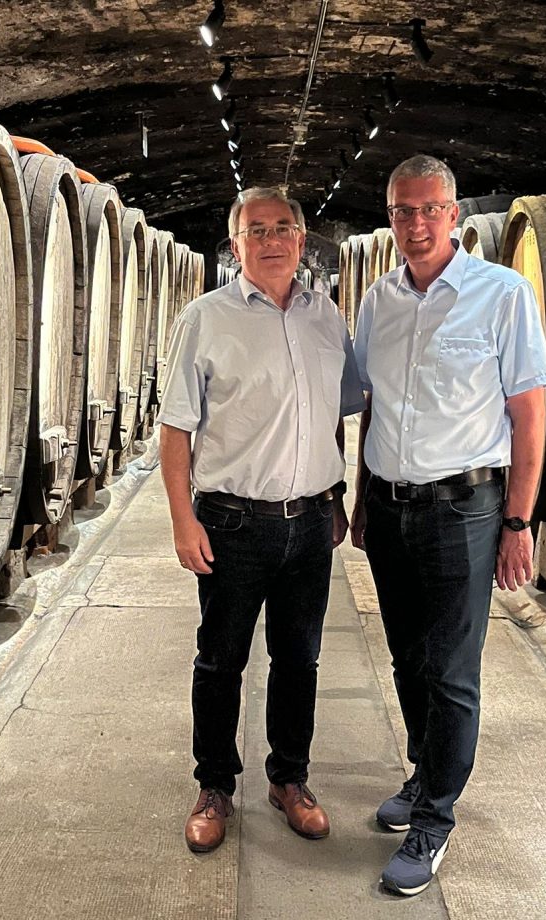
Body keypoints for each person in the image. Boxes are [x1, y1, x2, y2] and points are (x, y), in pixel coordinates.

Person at [349, 156, 546, 896]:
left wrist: (519, 520)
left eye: (428, 208)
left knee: (452, 670)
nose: (414, 223)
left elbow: (529, 414)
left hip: (465, 508)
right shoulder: (379, 298)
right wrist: (362, 492)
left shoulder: (502, 295)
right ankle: (423, 770)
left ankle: (435, 817)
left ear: (455, 214)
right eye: (402, 211)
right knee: (406, 658)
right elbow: (374, 400)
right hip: (390, 507)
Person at [158, 186, 365, 854]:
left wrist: (336, 495)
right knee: (221, 661)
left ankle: (289, 780)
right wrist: (182, 521)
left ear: (302, 240)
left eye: (283, 227)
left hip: (309, 525)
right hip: (232, 522)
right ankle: (214, 786)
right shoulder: (205, 318)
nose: (271, 239)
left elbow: (340, 407)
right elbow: (175, 430)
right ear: (236, 243)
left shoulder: (326, 317)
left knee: (299, 660)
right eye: (256, 229)